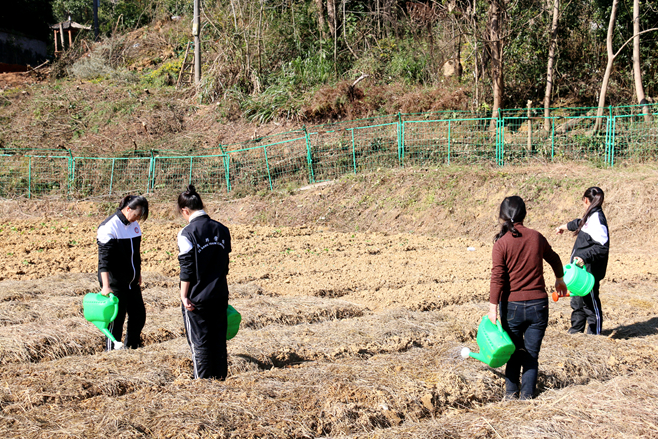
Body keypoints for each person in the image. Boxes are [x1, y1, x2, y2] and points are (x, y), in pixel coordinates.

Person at [489, 196, 567, 400]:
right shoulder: (537, 237)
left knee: (513, 353)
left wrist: (492, 308)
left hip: (512, 307)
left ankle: (510, 395)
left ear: (502, 216)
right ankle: (527, 396)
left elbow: (497, 277)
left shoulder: (501, 243)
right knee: (531, 355)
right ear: (524, 214)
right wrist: (559, 280)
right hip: (538, 306)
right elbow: (555, 259)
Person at [177, 184, 232, 380]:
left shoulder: (187, 233)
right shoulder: (222, 229)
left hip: (196, 298)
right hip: (219, 294)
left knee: (199, 342)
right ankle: (220, 380)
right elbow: (225, 265)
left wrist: (184, 296)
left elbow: (187, 269)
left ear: (185, 211)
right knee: (218, 341)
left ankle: (202, 383)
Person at [97, 194, 149, 351]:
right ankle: (111, 351)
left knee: (138, 316)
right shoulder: (108, 227)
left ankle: (131, 348)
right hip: (115, 282)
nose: (138, 218)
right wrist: (106, 286)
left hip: (131, 281)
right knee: (116, 320)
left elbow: (135, 254)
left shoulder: (134, 226)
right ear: (128, 209)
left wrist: (137, 272)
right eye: (137, 214)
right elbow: (103, 261)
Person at [555, 187, 609, 335]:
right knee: (577, 302)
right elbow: (579, 223)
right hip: (579, 272)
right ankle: (576, 332)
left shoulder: (598, 219)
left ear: (586, 200)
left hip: (589, 273)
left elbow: (602, 248)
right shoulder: (590, 216)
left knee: (590, 303)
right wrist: (563, 227)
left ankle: (595, 334)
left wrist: (584, 256)